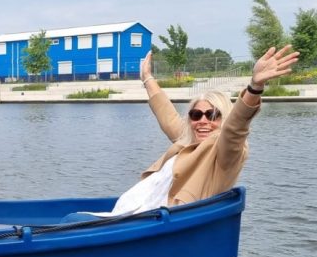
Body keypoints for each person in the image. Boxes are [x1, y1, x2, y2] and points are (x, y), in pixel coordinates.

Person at [98, 45, 299, 217]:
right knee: (72, 217)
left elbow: (235, 128)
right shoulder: (189, 141)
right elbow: (168, 116)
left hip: (156, 226)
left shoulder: (225, 154)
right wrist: (147, 78)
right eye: (196, 115)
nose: (203, 121)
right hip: (129, 213)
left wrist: (255, 87)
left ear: (224, 119)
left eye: (212, 115)